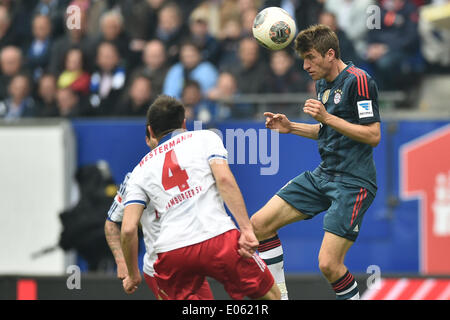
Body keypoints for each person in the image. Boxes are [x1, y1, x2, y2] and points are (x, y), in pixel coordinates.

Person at [250, 24, 381, 300]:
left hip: (353, 183)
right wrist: (292, 127)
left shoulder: (359, 80)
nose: (306, 65)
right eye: (303, 60)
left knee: (329, 265)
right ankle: (279, 296)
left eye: (311, 58)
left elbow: (373, 135)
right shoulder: (322, 82)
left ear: (330, 54)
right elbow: (327, 131)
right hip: (324, 175)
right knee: (260, 223)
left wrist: (327, 118)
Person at [120, 95, 280, 300]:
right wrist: (246, 229)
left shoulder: (139, 171)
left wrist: (133, 275)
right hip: (217, 237)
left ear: (150, 130)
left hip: (172, 252)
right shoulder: (205, 138)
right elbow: (225, 180)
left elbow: (128, 229)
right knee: (272, 296)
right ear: (184, 124)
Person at [105, 126, 214, 299]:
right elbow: (112, 223)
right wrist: (122, 262)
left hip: (190, 263)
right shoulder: (136, 177)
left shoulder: (191, 167)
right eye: (158, 137)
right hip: (163, 269)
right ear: (148, 141)